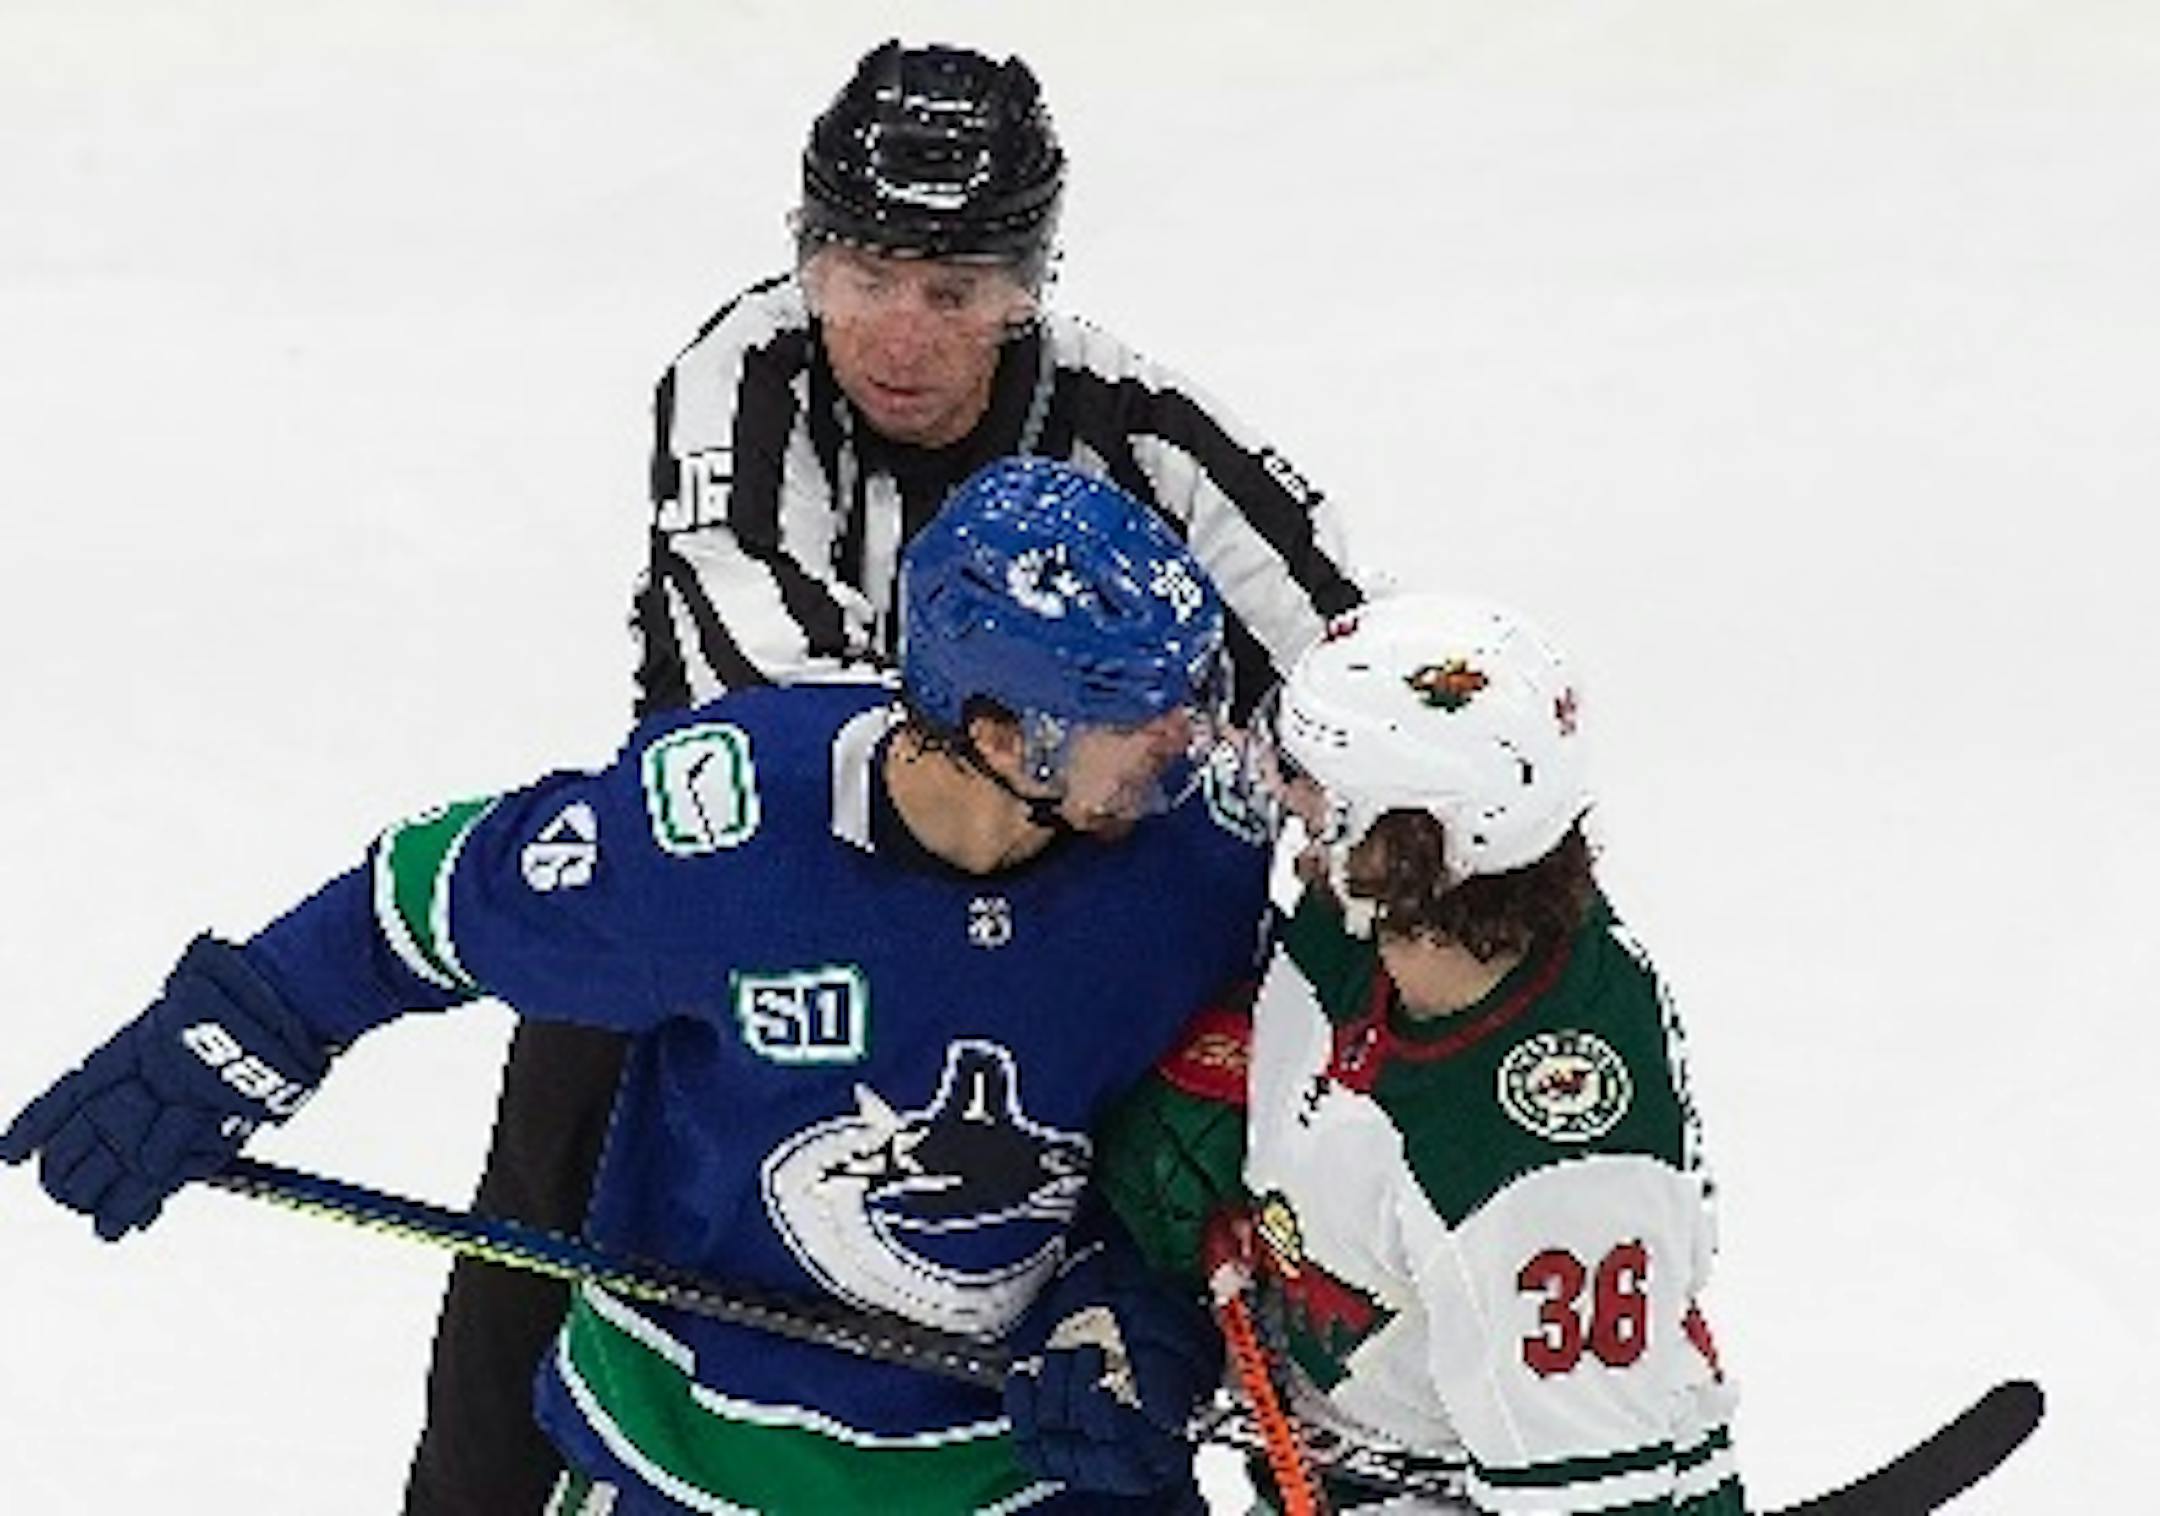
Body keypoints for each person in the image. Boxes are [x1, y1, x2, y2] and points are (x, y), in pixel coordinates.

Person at [422, 36, 1366, 1514]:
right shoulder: (738, 381)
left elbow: (1352, 693)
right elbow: (789, 731)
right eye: (863, 275)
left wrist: (1430, 889)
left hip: (1058, 931)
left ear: (1030, 287)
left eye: (956, 291)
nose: (902, 333)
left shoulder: (1146, 433)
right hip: (714, 912)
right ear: (805, 260)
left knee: (1175, 1274)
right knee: (534, 1234)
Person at [1, 460, 1265, 1514]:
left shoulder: (1200, 864)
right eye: (1138, 717)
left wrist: (1150, 1312)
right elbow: (428, 899)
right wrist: (240, 1031)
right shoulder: (716, 837)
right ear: (1002, 734)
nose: (1186, 744)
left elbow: (1287, 1132)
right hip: (692, 1465)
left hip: (1032, 1472)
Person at [1093, 594, 1747, 1513]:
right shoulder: (1370, 923)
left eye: (1307, 778)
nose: (1279, 788)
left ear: (1400, 843)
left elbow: (1596, 1493)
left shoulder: (1550, 1177)